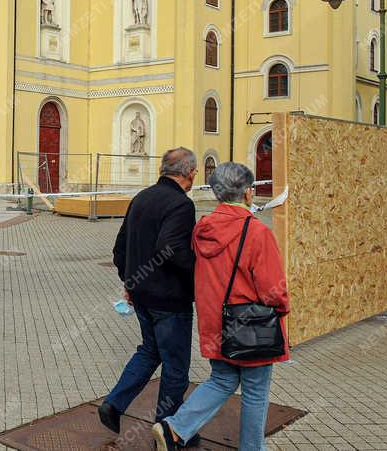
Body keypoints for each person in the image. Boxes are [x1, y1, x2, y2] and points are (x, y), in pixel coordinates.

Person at [152, 162, 290, 451]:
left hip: (216, 323)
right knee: (254, 390)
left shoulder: (202, 228)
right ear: (248, 193)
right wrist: (282, 309)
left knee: (222, 380)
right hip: (251, 326)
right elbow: (273, 290)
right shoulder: (257, 232)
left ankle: (174, 428)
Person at [99, 148, 198, 437]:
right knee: (176, 367)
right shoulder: (182, 204)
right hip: (170, 299)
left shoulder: (142, 197)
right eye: (194, 172)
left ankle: (114, 404)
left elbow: (120, 249)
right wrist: (199, 276)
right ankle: (169, 430)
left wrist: (131, 282)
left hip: (142, 295)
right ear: (189, 172)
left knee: (150, 351)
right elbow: (171, 249)